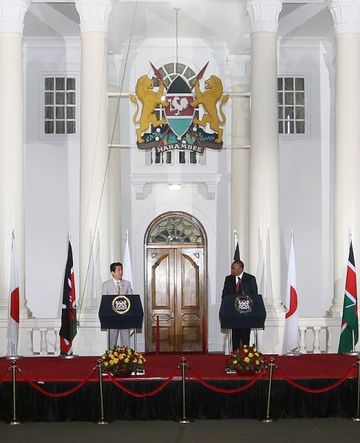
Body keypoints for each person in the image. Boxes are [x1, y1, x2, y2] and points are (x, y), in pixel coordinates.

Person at [222, 260, 258, 350]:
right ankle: (235, 357)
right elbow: (224, 295)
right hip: (234, 314)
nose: (232, 271)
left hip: (246, 314)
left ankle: (245, 357)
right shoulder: (228, 279)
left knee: (245, 338)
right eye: (232, 268)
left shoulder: (250, 279)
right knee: (235, 339)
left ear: (241, 269)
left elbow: (254, 296)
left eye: (234, 269)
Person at [102, 262, 133, 348]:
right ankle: (111, 358)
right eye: (118, 270)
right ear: (113, 272)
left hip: (125, 317)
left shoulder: (127, 284)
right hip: (112, 317)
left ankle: (127, 357)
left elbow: (131, 300)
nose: (121, 272)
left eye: (121, 270)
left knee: (126, 340)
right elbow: (105, 301)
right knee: (112, 341)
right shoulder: (106, 285)